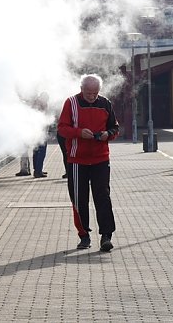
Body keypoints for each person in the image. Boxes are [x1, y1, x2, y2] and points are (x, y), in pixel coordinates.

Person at [57, 74, 119, 252]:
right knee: (79, 199)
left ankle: (106, 236)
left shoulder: (105, 103)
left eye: (95, 93)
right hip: (77, 160)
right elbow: (62, 129)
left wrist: (107, 134)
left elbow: (115, 127)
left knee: (103, 197)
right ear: (81, 89)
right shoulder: (71, 103)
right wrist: (78, 133)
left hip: (101, 158)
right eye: (88, 93)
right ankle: (84, 235)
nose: (91, 96)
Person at [31, 92, 50, 178]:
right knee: (41, 152)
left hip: (35, 132)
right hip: (40, 132)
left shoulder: (35, 105)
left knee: (36, 151)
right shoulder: (41, 106)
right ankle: (38, 171)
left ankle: (37, 169)